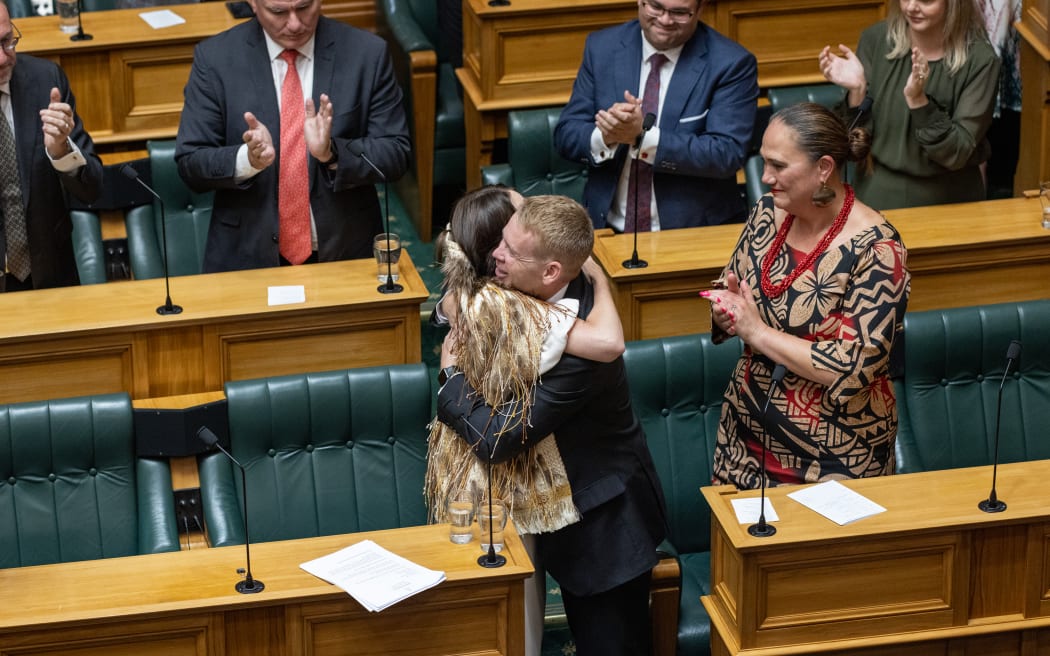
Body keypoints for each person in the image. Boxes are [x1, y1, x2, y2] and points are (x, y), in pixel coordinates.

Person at [437, 194, 667, 655]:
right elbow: (457, 302)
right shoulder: (530, 284)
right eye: (500, 241)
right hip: (555, 513)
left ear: (550, 274)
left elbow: (495, 438)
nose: (495, 257)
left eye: (510, 252)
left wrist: (449, 379)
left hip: (605, 533)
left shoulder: (579, 353)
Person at [700, 103, 910, 489]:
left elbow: (850, 368)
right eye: (763, 163)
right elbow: (731, 289)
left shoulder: (878, 248)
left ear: (824, 168)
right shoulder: (766, 212)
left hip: (839, 452)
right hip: (746, 435)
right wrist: (725, 311)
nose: (765, 178)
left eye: (779, 166)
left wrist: (757, 332)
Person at [175, 0, 410, 273]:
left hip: (346, 252)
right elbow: (190, 162)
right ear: (252, 3)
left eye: (304, 7)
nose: (295, 23)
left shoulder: (366, 53)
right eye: (278, 12)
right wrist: (246, 159)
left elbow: (396, 152)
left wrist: (333, 153)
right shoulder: (215, 59)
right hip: (247, 256)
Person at [554, 0, 758, 231]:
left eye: (679, 12)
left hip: (692, 231)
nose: (665, 20)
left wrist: (643, 137)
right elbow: (566, 134)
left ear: (700, 10)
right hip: (606, 228)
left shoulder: (731, 63)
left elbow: (726, 153)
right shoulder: (602, 48)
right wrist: (607, 135)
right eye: (656, 7)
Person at [818, 0, 999, 210]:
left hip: (949, 199)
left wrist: (919, 101)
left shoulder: (981, 60)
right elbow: (852, 145)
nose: (912, 7)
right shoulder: (876, 39)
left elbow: (956, 152)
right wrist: (857, 91)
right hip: (877, 190)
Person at [0, 2, 103, 291]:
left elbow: (92, 188)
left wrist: (61, 152)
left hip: (50, 278)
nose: (2, 58)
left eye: (7, 41)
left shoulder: (46, 81)